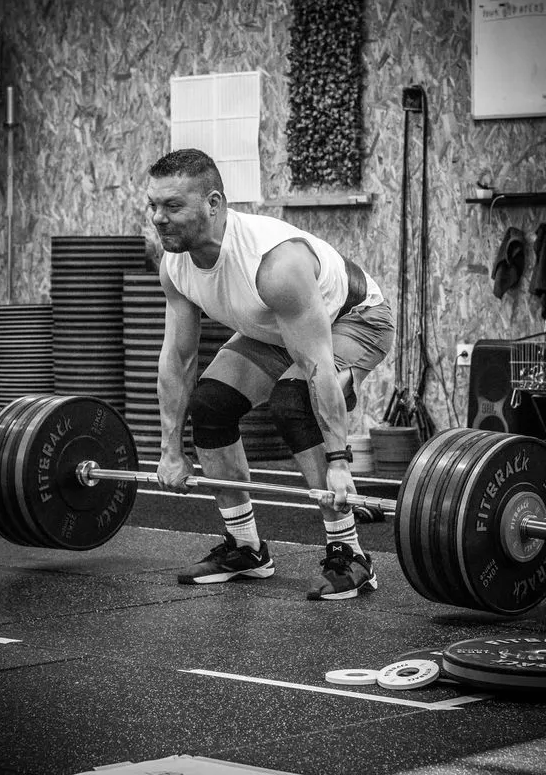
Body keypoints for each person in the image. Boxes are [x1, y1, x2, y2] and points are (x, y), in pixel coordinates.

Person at [148, 149, 394, 600]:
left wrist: (340, 462)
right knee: (211, 405)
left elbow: (316, 366)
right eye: (154, 206)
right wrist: (169, 451)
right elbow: (178, 360)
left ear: (214, 204)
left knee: (292, 402)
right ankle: (246, 548)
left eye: (173, 206)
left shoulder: (274, 263)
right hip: (273, 331)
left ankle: (351, 553)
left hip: (355, 318)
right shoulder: (175, 265)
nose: (159, 219)